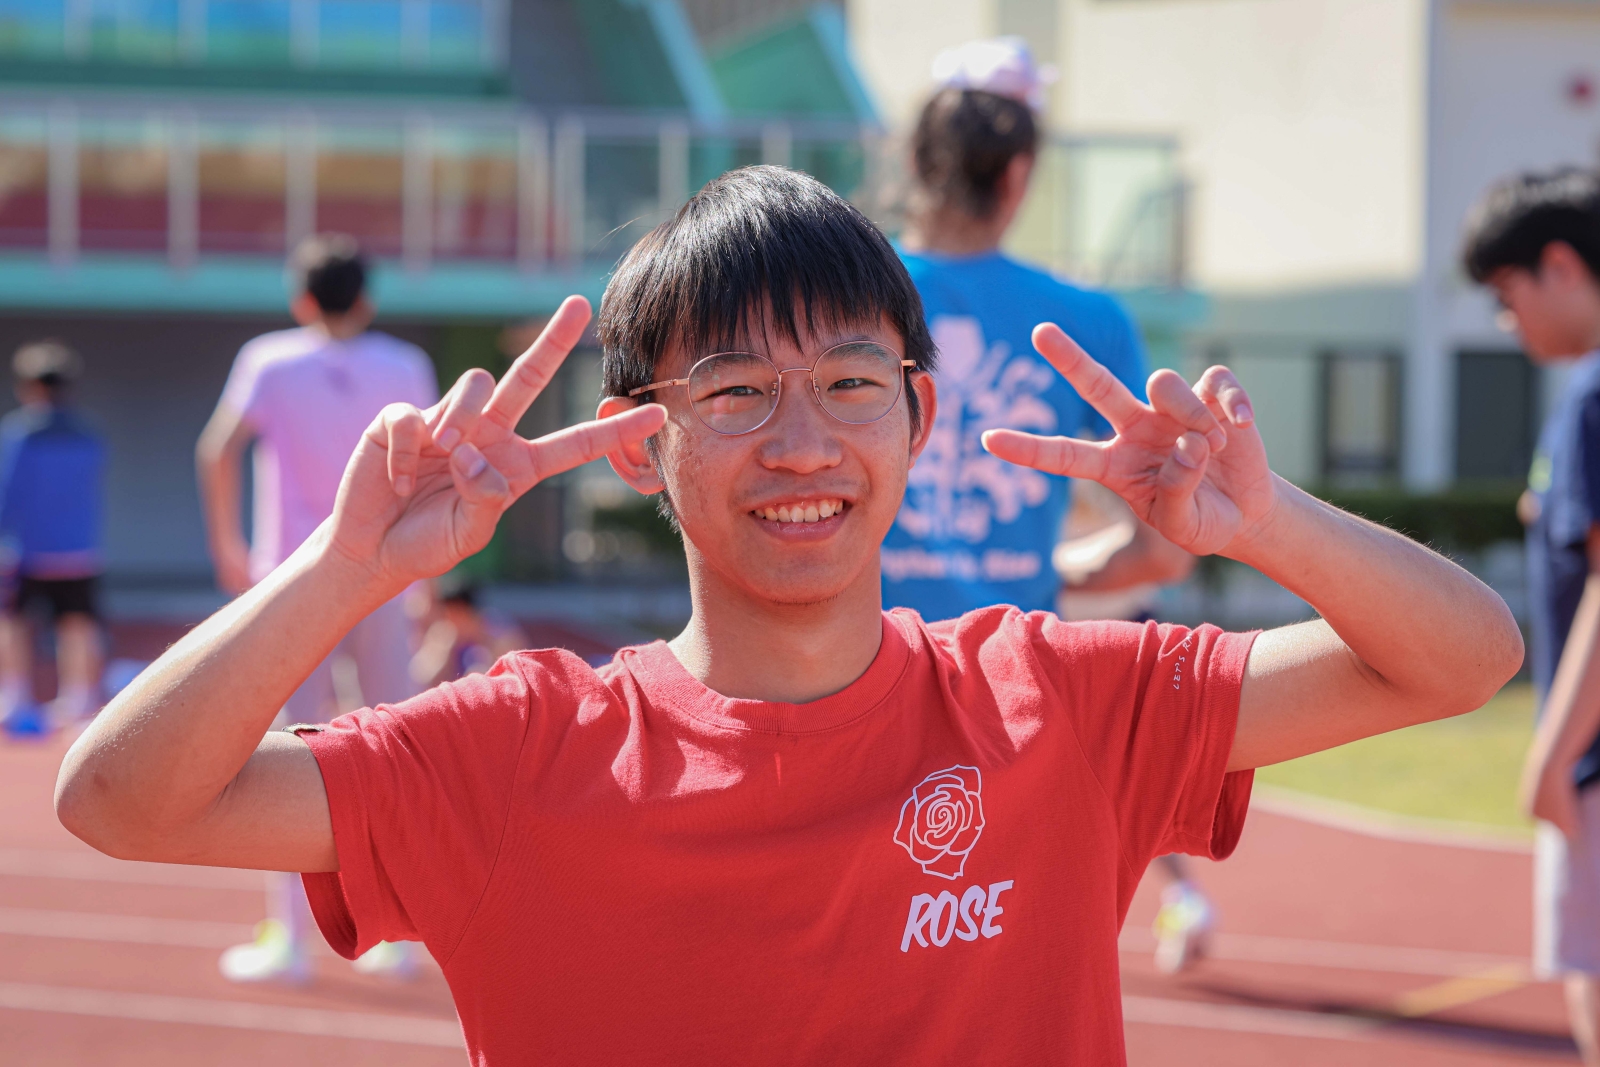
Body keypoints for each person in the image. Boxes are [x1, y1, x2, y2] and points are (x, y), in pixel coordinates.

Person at [58, 167, 1521, 1064]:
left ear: (919, 416)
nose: (804, 442)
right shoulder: (518, 747)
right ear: (641, 445)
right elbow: (121, 798)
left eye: (850, 382)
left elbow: (1462, 657)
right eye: (738, 391)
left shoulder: (1059, 702)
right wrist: (342, 569)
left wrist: (1263, 519)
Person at [888, 38, 1210, 972]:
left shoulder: (844, 296)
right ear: (1019, 175)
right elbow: (1161, 551)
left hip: (849, 663)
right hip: (1011, 677)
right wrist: (1045, 573)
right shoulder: (1088, 320)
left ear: (915, 160)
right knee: (995, 952)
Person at [194, 233, 437, 984]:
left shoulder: (268, 360)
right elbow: (433, 471)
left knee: (284, 754)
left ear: (302, 299)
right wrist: (429, 577)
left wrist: (229, 546)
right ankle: (397, 935)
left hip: (292, 581)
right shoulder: (405, 365)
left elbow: (216, 449)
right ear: (367, 297)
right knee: (395, 752)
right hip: (385, 576)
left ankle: (290, 941)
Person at [1464, 167, 1600, 1067]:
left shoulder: (1592, 400)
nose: (1507, 321)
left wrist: (1555, 753)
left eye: (1508, 294)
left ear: (1561, 265)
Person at [0, 341, 105, 736]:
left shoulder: (19, 433)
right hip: (79, 551)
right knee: (77, 624)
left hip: (28, 550)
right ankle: (79, 699)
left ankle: (15, 697)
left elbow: (7, 491)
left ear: (28, 387)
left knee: (13, 622)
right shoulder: (89, 434)